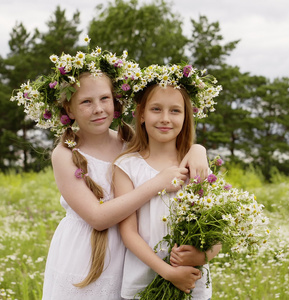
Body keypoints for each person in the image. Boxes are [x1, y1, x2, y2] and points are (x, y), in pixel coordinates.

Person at [11, 46, 209, 299]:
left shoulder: (129, 143)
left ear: (115, 101)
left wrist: (197, 149)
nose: (98, 109)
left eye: (104, 99)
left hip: (132, 255)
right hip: (83, 254)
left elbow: (165, 147)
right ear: (68, 110)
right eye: (86, 102)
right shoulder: (64, 154)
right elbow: (97, 217)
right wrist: (158, 183)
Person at [114, 64, 222, 299]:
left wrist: (203, 256)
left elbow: (217, 231)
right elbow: (129, 233)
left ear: (186, 116)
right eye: (156, 109)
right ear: (141, 113)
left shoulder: (196, 165)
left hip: (191, 282)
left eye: (175, 111)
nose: (165, 118)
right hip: (143, 281)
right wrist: (167, 272)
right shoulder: (126, 166)